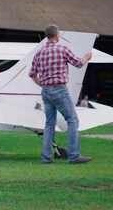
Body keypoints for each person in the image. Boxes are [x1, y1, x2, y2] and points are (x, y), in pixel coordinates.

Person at [29, 24, 92, 164]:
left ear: (47, 36)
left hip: (46, 91)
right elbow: (78, 63)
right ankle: (74, 156)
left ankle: (46, 157)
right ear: (57, 35)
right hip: (60, 89)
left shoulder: (39, 53)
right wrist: (87, 57)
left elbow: (32, 74)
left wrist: (43, 84)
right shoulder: (62, 49)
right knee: (72, 120)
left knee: (49, 124)